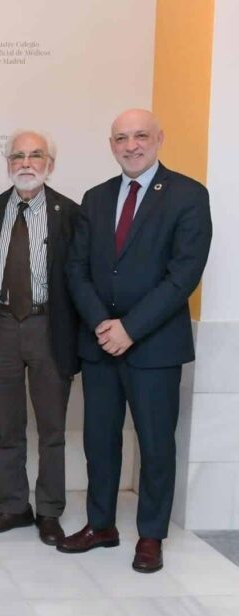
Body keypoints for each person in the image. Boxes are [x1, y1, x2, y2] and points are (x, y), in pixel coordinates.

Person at [60, 108, 211, 572]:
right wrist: (103, 325)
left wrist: (130, 328)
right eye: (121, 138)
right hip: (101, 346)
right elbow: (76, 269)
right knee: (99, 442)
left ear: (159, 139)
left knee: (155, 444)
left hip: (154, 347)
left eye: (140, 136)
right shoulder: (96, 197)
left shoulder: (187, 195)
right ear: (111, 145)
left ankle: (151, 535)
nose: (131, 145)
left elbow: (183, 274)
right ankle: (101, 524)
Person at [0, 130, 80, 546]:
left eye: (36, 155)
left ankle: (49, 512)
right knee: (8, 429)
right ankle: (14, 506)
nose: (26, 162)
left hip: (48, 326)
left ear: (50, 163)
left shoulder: (69, 213)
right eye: (18, 155)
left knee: (52, 429)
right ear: (7, 163)